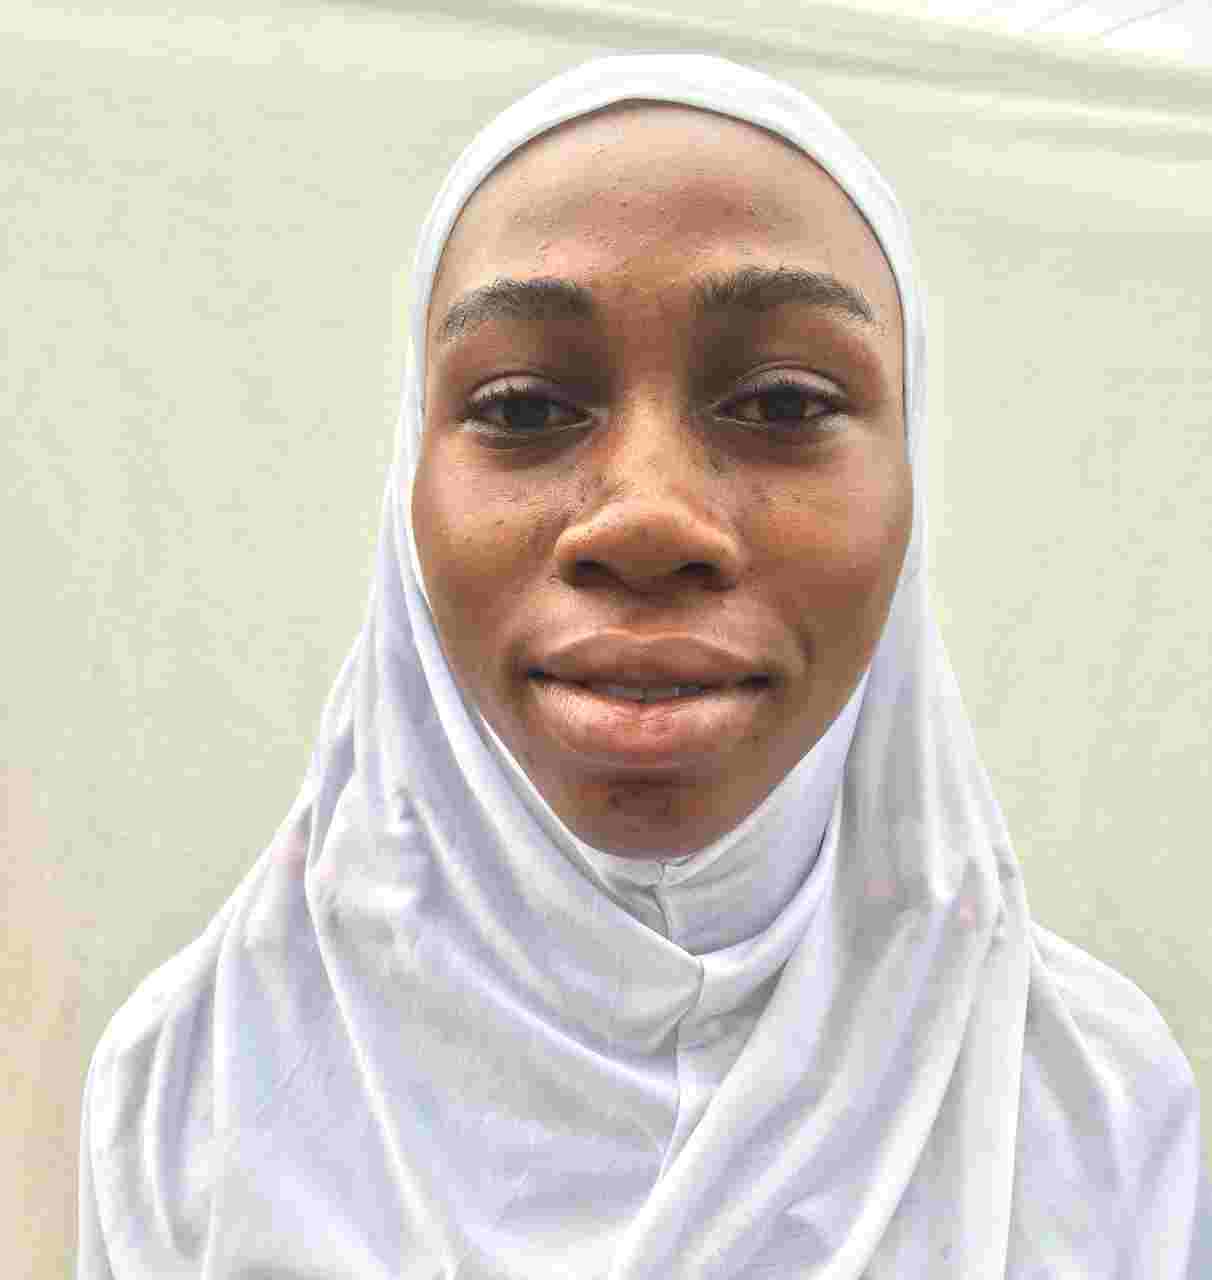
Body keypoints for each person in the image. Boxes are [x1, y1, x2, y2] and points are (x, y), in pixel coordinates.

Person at [76, 53, 1211, 1277]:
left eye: (783, 403)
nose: (648, 518)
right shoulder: (194, 1088)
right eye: (521, 407)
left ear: (911, 479)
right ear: (407, 486)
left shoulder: (1093, 1106)